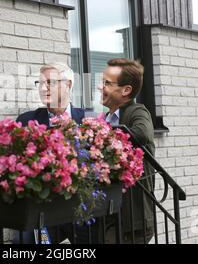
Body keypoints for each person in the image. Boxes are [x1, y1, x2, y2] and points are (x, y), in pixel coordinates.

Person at [14, 62, 85, 244]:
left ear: (68, 85)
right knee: (24, 240)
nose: (44, 88)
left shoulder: (87, 120)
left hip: (77, 205)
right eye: (40, 83)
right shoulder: (26, 121)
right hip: (40, 208)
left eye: (50, 83)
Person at [98, 58, 155, 244]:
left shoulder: (137, 111)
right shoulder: (104, 118)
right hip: (109, 214)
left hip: (133, 218)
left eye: (107, 83)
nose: (101, 87)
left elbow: (143, 133)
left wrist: (103, 135)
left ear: (126, 90)